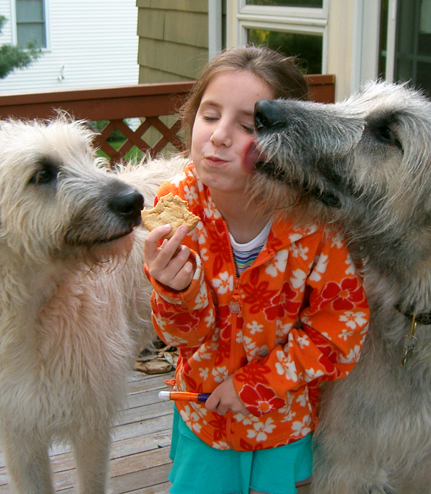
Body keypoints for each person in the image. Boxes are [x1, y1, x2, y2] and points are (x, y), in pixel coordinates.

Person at [143, 45, 370, 494]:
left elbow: (340, 326)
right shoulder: (177, 206)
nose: (220, 136)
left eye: (248, 125)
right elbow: (181, 337)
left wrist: (257, 384)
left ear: (287, 141)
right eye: (210, 116)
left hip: (282, 421)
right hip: (206, 418)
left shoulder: (315, 221)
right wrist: (175, 290)